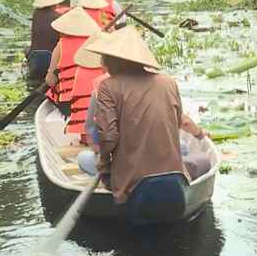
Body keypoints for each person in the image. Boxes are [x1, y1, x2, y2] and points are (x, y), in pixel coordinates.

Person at [82, 26, 198, 203]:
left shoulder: (108, 87)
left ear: (113, 60)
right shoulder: (169, 82)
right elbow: (176, 123)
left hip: (132, 183)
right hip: (174, 178)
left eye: (104, 57)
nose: (101, 62)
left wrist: (104, 163)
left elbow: (108, 136)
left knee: (85, 160)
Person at [45, 6, 101, 116]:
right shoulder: (95, 43)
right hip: (96, 103)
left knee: (52, 91)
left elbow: (50, 81)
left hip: (68, 105)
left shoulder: (60, 46)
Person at [26, 0, 70, 81]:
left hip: (34, 56)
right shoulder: (58, 17)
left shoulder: (36, 14)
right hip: (50, 59)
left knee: (26, 49)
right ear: (55, 3)